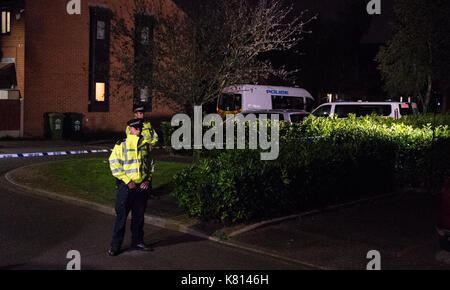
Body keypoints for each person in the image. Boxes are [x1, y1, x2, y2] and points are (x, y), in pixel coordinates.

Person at [108, 118, 155, 256]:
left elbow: (150, 165)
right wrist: (127, 181)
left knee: (139, 218)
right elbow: (114, 165)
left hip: (141, 188)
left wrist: (147, 180)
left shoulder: (145, 145)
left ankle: (138, 242)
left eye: (140, 128)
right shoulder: (121, 145)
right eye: (136, 128)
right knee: (121, 218)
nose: (139, 130)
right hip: (126, 187)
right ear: (129, 129)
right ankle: (115, 246)